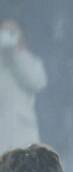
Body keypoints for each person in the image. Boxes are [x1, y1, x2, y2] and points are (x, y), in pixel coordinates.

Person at [0, 18, 47, 147]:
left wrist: (16, 56)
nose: (7, 36)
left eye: (12, 32)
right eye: (4, 32)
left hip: (22, 136)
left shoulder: (31, 61)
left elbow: (38, 82)